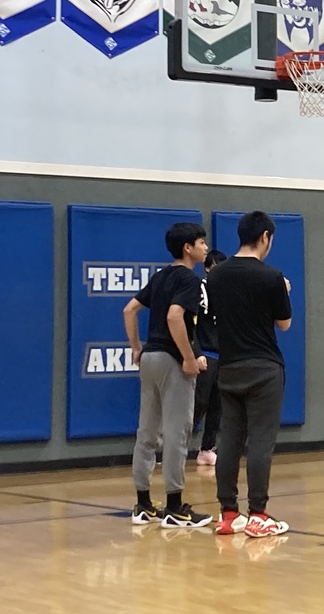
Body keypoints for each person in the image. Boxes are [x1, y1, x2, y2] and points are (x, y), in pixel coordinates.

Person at [208, 211, 293, 539]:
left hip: (229, 366)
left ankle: (228, 513)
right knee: (260, 440)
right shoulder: (272, 277)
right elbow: (283, 324)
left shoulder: (215, 276)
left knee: (228, 438)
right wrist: (282, 292)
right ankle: (258, 513)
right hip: (264, 368)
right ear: (265, 237)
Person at [124, 222, 211, 528]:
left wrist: (136, 348)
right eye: (201, 242)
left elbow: (129, 310)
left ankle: (143, 504)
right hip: (172, 361)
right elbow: (176, 316)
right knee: (177, 432)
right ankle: (175, 507)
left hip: (150, 358)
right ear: (188, 248)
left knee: (147, 432)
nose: (205, 248)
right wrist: (188, 357)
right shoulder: (190, 279)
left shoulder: (160, 276)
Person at [192, 249, 227, 467]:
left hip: (223, 356)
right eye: (215, 266)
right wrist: (196, 353)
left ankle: (207, 447)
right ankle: (175, 446)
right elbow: (190, 324)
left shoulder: (228, 293)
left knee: (218, 404)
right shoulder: (199, 290)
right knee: (198, 402)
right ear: (207, 267)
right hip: (205, 354)